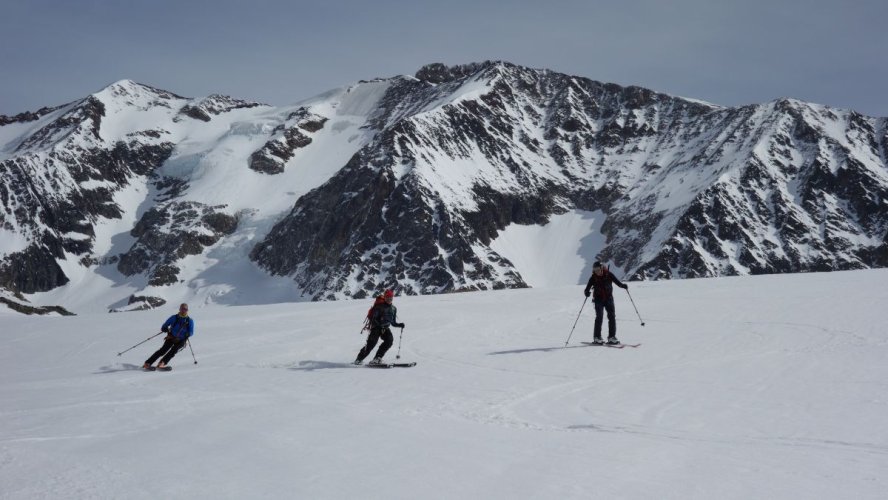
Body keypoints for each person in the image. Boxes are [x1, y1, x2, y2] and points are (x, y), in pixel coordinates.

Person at [354, 289, 405, 365]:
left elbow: (393, 322)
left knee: (389, 341)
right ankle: (358, 359)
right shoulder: (379, 307)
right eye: (387, 297)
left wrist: (399, 325)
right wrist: (380, 325)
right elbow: (374, 319)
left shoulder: (394, 309)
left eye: (391, 297)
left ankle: (377, 358)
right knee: (371, 344)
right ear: (384, 297)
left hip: (385, 328)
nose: (389, 299)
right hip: (376, 328)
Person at [583, 261, 628, 345]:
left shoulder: (608, 274)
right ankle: (597, 337)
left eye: (597, 269)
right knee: (599, 317)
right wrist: (586, 292)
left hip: (609, 299)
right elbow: (587, 288)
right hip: (598, 300)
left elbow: (617, 282)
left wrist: (623, 286)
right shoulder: (593, 277)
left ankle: (611, 337)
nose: (596, 271)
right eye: (594, 270)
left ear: (601, 268)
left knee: (612, 317)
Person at [143, 303, 194, 370]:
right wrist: (164, 328)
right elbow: (165, 325)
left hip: (181, 340)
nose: (183, 310)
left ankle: (162, 363)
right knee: (163, 350)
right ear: (179, 309)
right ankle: (147, 363)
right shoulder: (174, 317)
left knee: (173, 351)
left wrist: (188, 334)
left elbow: (191, 332)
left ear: (187, 310)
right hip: (171, 337)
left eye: (185, 309)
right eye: (182, 309)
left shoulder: (189, 321)